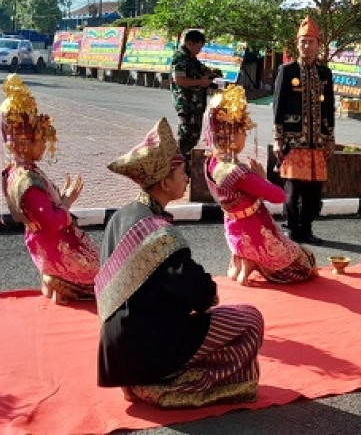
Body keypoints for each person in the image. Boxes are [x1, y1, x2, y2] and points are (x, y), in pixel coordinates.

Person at [96, 118, 264, 408]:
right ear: (164, 182)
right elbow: (200, 293)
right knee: (250, 320)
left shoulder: (121, 217)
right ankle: (172, 383)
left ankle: (137, 381)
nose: (187, 178)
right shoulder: (157, 232)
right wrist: (210, 293)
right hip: (150, 351)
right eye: (183, 172)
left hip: (116, 356)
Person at [203, 85, 317, 285]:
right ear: (231, 134)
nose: (245, 137)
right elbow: (279, 196)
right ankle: (253, 262)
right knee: (306, 264)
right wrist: (262, 178)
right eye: (242, 132)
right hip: (256, 232)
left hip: (234, 230)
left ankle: (243, 261)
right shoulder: (239, 173)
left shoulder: (211, 163)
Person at [1, 74, 99, 304]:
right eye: (41, 140)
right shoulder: (27, 182)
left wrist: (62, 201)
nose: (45, 145)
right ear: (26, 143)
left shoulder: (16, 171)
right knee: (103, 277)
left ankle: (55, 279)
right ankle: (58, 281)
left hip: (45, 244)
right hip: (54, 246)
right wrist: (66, 201)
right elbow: (53, 224)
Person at [272, 15, 335, 245]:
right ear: (297, 44)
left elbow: (329, 107)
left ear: (318, 45)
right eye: (303, 42)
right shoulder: (287, 71)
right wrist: (278, 138)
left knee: (313, 191)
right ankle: (291, 228)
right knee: (292, 190)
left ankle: (306, 228)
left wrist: (330, 138)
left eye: (311, 42)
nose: (307, 46)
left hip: (317, 142)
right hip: (293, 141)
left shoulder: (325, 73)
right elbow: (278, 107)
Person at [171, 29, 221, 166]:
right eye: (198, 46)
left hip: (196, 104)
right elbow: (179, 80)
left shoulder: (191, 58)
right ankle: (178, 167)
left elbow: (202, 71)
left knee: (193, 136)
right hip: (187, 104)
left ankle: (185, 166)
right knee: (186, 136)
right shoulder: (180, 58)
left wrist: (213, 75)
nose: (200, 49)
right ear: (189, 43)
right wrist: (201, 82)